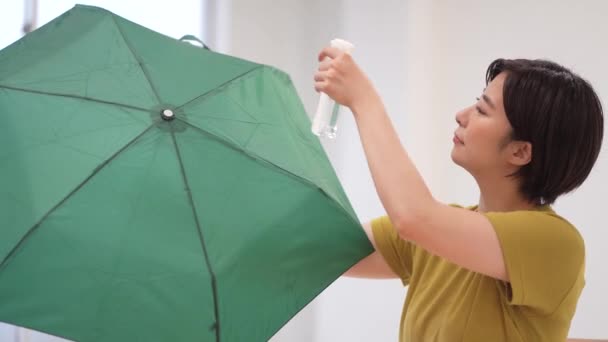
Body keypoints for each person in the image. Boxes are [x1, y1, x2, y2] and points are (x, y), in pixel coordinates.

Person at [314, 47, 604, 341]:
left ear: (520, 151)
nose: (461, 115)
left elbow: (413, 217)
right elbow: (319, 252)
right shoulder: (433, 236)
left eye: (482, 110)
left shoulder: (555, 243)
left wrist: (365, 101)